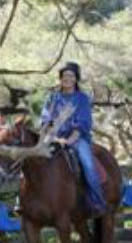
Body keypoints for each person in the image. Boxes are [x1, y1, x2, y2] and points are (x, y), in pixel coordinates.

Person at [40, 62, 107, 218]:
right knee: (32, 158)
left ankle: (97, 202)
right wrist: (53, 137)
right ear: (60, 78)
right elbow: (45, 119)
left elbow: (83, 122)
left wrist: (69, 140)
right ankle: (22, 200)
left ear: (76, 79)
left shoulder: (82, 99)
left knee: (88, 166)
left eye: (71, 76)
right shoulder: (52, 97)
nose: (67, 78)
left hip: (77, 138)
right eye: (64, 76)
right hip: (54, 137)